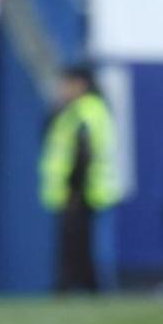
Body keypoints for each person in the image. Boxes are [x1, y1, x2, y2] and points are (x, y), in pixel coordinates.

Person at [39, 65, 121, 292]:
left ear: (81, 84)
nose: (62, 89)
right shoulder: (81, 110)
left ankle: (71, 286)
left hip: (81, 191)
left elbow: (82, 154)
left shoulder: (83, 112)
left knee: (76, 244)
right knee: (79, 244)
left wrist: (74, 190)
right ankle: (82, 286)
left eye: (67, 83)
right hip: (84, 191)